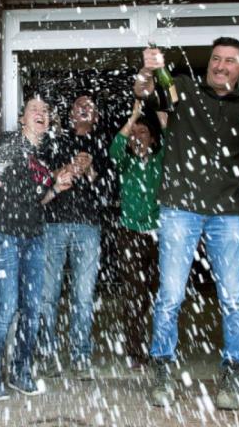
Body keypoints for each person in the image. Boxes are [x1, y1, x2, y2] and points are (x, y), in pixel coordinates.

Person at [135, 39, 239, 410]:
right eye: (216, 59)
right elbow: (145, 93)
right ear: (209, 63)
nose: (221, 65)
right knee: (170, 296)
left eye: (230, 61)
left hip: (227, 213)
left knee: (232, 298)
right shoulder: (181, 88)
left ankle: (234, 369)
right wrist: (148, 71)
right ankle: (161, 368)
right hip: (179, 209)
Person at [0, 96, 73, 400]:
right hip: (1, 232)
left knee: (32, 308)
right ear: (22, 119)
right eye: (35, 109)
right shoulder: (10, 141)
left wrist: (56, 188)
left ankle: (20, 371)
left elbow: (38, 199)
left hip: (32, 235)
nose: (41, 113)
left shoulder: (44, 154)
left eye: (45, 111)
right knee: (6, 306)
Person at [38, 94, 111, 379]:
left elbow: (109, 191)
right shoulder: (55, 140)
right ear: (70, 113)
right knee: (48, 295)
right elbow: (41, 177)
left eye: (89, 108)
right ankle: (47, 353)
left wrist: (91, 170)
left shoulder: (102, 144)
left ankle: (80, 354)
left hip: (88, 226)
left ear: (95, 117)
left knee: (83, 295)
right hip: (53, 223)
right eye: (79, 106)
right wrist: (63, 170)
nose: (84, 110)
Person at [108, 100, 165, 367]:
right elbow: (114, 149)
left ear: (153, 138)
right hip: (130, 232)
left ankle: (162, 348)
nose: (136, 137)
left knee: (162, 293)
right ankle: (135, 349)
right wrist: (132, 119)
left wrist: (164, 121)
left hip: (160, 232)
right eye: (134, 134)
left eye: (142, 132)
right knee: (134, 294)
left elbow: (175, 142)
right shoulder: (125, 163)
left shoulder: (162, 159)